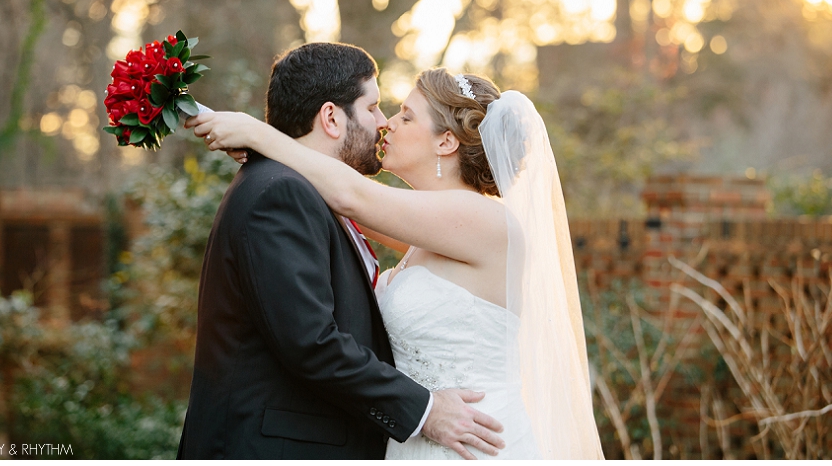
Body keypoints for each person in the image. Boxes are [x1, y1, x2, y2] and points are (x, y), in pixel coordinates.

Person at [188, 65, 606, 459]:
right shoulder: (429, 230)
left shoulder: (484, 219)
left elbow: (352, 197)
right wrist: (271, 159)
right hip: (420, 437)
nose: (386, 123)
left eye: (406, 116)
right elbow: (339, 209)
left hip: (473, 440)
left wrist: (258, 133)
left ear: (446, 142)